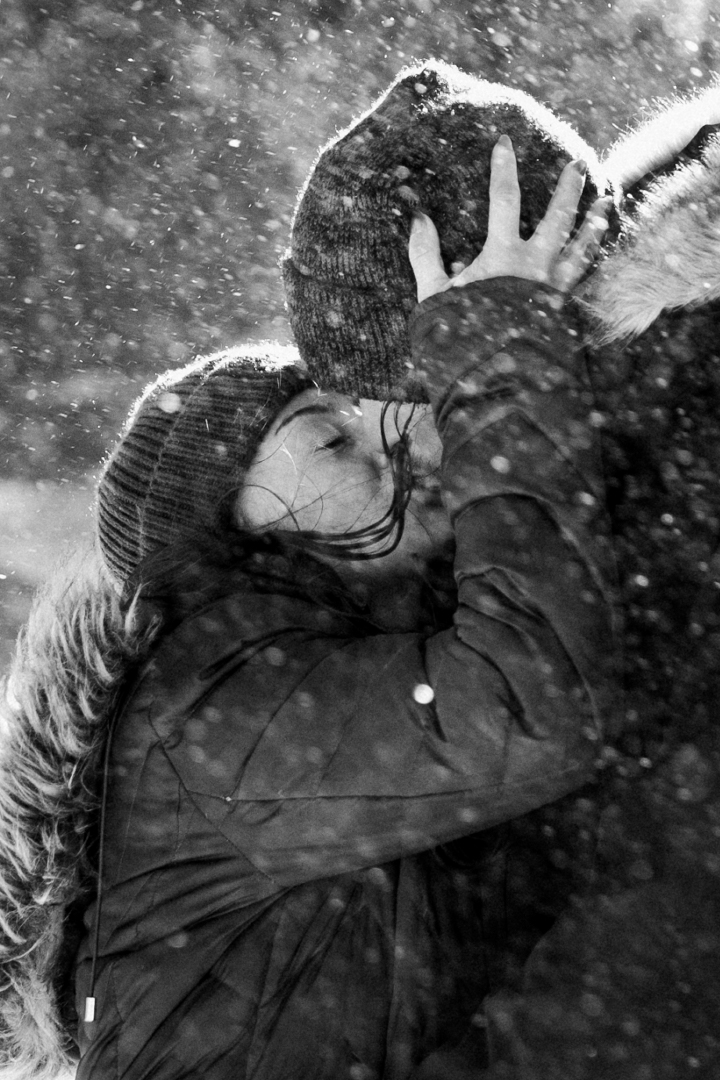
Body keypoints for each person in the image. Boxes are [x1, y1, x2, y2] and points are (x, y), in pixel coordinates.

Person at [0, 131, 615, 1079]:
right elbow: (524, 703)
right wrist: (502, 339)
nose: (358, 424)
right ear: (222, 511)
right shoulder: (212, 696)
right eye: (310, 423)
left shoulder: (339, 640)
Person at [283, 62, 720, 1079]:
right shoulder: (611, 431)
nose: (405, 465)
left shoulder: (676, 436)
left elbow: (669, 892)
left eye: (417, 408)